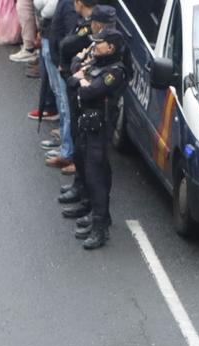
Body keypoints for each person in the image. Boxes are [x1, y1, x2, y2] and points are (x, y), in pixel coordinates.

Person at [70, 22, 124, 250]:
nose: (94, 46)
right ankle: (96, 213)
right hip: (86, 125)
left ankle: (100, 228)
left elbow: (90, 90)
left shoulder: (115, 71)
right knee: (83, 166)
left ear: (110, 47)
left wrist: (82, 80)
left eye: (99, 43)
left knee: (97, 177)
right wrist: (81, 78)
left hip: (99, 130)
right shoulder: (98, 62)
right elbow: (73, 72)